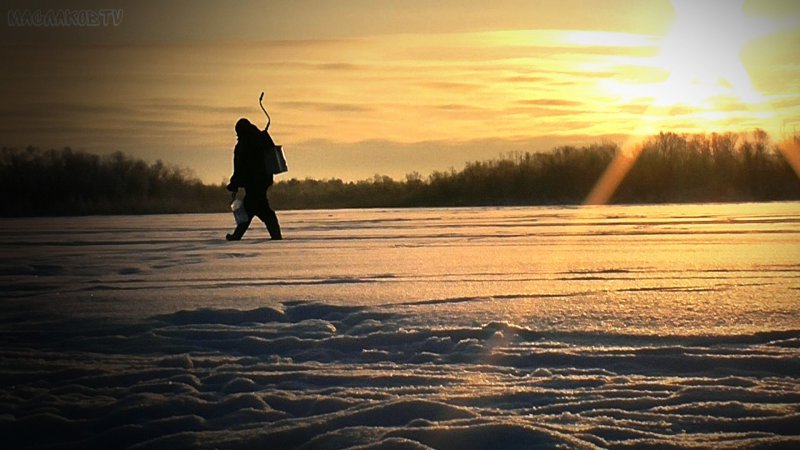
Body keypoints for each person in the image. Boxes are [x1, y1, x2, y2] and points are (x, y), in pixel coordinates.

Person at [225, 118, 282, 241]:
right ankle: (275, 236)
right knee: (254, 210)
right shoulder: (261, 139)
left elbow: (240, 168)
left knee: (257, 211)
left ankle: (276, 237)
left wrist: (234, 184)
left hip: (252, 183)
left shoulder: (243, 145)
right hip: (263, 181)